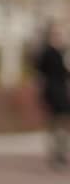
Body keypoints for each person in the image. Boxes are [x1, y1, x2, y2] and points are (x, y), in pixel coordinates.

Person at [36, 23, 70, 169]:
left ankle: (59, 153)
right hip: (54, 93)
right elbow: (40, 73)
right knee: (57, 123)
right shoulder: (48, 53)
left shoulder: (61, 52)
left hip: (59, 92)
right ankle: (57, 154)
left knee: (59, 123)